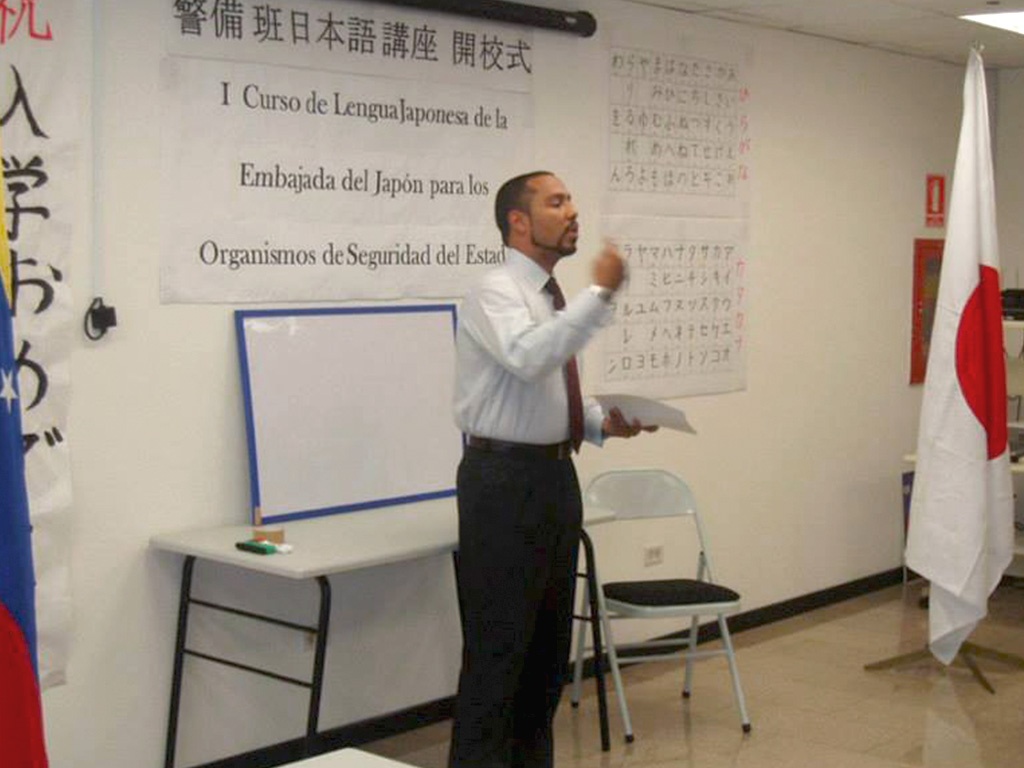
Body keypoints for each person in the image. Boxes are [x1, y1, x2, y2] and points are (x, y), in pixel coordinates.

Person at [449, 171, 655, 768]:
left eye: (571, 198)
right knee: (498, 654)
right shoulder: (493, 291)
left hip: (553, 479)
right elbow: (529, 358)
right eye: (556, 201)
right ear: (518, 220)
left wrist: (597, 422)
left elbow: (544, 391)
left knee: (546, 658)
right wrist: (601, 296)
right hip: (501, 484)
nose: (572, 212)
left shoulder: (549, 297)